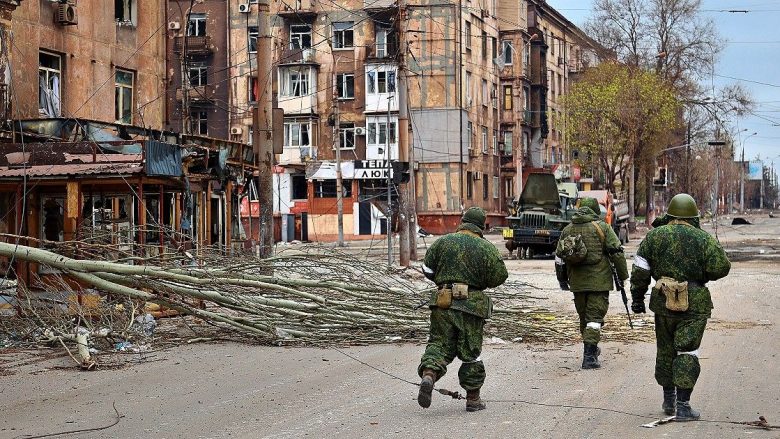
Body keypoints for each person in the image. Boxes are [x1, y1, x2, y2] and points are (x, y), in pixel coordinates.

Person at [630, 193, 730, 420]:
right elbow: (721, 268)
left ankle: (668, 400)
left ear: (671, 213)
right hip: (694, 303)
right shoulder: (703, 239)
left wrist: (637, 299)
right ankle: (683, 406)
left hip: (663, 302)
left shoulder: (654, 237)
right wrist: (700, 274)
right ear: (693, 215)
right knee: (687, 351)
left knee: (665, 349)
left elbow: (640, 271)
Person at [417, 207, 508, 412]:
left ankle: (429, 375)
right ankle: (473, 399)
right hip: (471, 305)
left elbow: (427, 269)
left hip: (443, 302)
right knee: (470, 351)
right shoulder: (486, 248)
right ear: (482, 225)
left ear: (462, 221)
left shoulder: (442, 242)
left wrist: (444, 281)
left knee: (439, 344)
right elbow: (500, 276)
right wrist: (478, 282)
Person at [555, 197, 628, 369]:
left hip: (577, 283)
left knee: (584, 318)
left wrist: (562, 280)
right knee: (594, 320)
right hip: (599, 282)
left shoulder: (567, 229)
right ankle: (589, 357)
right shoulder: (602, 227)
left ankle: (591, 349)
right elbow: (616, 252)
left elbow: (559, 258)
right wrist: (623, 276)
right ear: (596, 211)